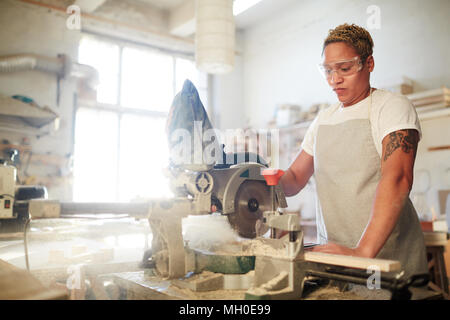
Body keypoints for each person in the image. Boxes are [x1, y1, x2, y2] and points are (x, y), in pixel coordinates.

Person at [280, 23, 428, 278]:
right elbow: (292, 180)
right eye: (328, 71)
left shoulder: (391, 107)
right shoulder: (322, 120)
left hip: (389, 264)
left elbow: (398, 178)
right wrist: (256, 177)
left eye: (344, 69)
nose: (334, 80)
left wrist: (363, 252)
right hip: (339, 262)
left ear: (368, 63)